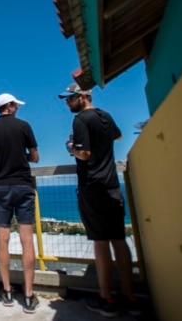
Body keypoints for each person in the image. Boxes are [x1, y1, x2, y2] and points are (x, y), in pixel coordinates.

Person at [58, 82, 140, 317]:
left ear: (82, 97)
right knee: (119, 240)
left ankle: (106, 298)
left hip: (92, 187)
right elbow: (118, 136)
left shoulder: (81, 120)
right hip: (112, 185)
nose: (67, 103)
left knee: (100, 242)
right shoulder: (105, 115)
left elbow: (84, 153)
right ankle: (130, 294)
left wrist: (70, 147)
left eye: (70, 98)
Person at [0, 93, 40, 314]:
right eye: (16, 106)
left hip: (0, 187)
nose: (17, 109)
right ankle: (29, 296)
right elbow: (35, 157)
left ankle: (7, 291)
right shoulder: (24, 126)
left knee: (2, 239)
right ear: (10, 106)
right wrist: (22, 156)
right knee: (26, 241)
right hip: (22, 185)